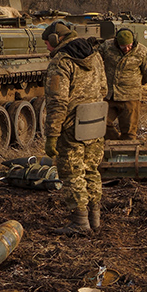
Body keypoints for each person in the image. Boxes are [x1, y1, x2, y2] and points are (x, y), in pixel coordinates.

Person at [41, 20, 107, 236]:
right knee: (91, 170)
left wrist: (52, 135)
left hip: (72, 127)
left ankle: (80, 222)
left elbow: (57, 102)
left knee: (72, 173)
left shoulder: (61, 62)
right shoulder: (95, 55)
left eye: (47, 44)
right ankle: (95, 218)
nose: (47, 49)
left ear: (54, 39)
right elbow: (104, 87)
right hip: (95, 122)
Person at [100, 29, 147, 140]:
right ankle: (115, 145)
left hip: (130, 97)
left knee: (129, 134)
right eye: (123, 46)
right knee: (101, 123)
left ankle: (126, 152)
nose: (126, 49)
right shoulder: (107, 47)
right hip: (110, 95)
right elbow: (94, 61)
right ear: (117, 43)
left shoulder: (142, 52)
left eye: (129, 46)